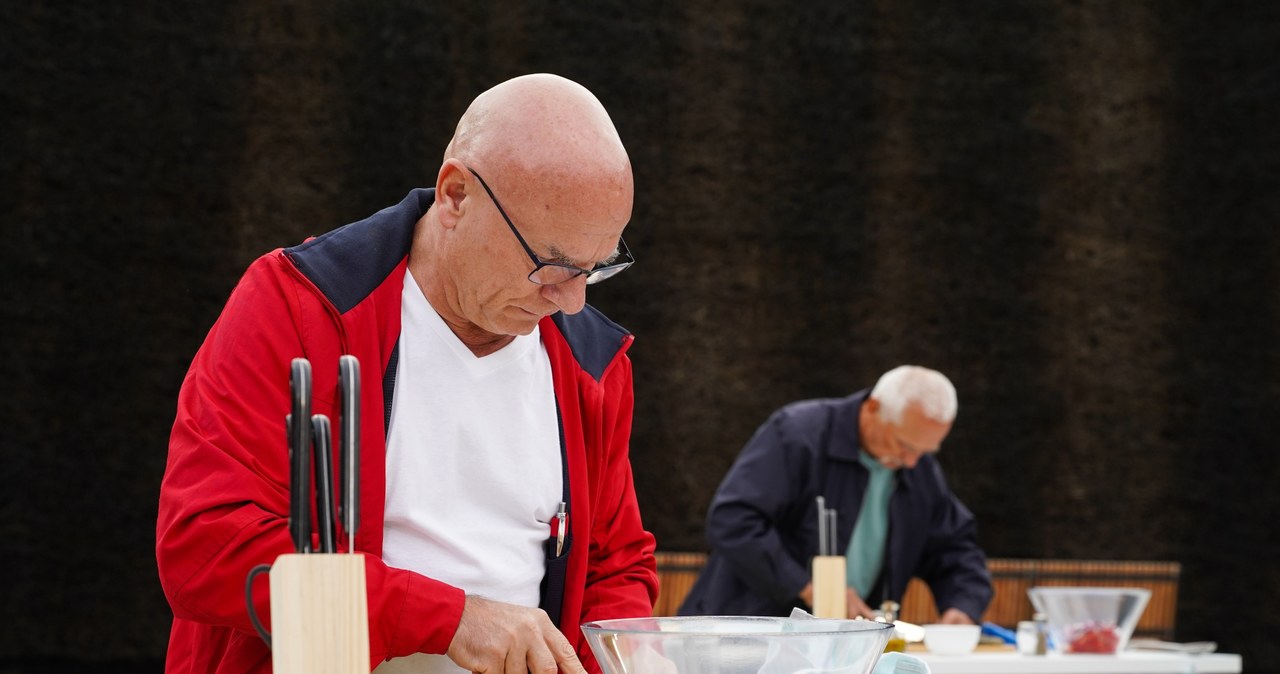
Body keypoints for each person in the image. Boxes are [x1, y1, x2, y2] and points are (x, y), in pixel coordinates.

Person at [156, 73, 658, 674]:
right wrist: (449, 620)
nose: (572, 300)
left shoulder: (589, 364)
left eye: (595, 267)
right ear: (455, 196)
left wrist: (628, 660)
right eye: (549, 264)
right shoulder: (298, 306)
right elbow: (205, 547)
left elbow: (613, 567)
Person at [678, 365, 992, 624]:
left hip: (838, 646)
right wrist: (811, 588)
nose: (911, 461)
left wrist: (962, 607)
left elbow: (954, 548)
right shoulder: (798, 434)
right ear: (873, 408)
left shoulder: (918, 470)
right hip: (744, 633)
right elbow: (733, 521)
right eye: (905, 445)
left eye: (925, 452)